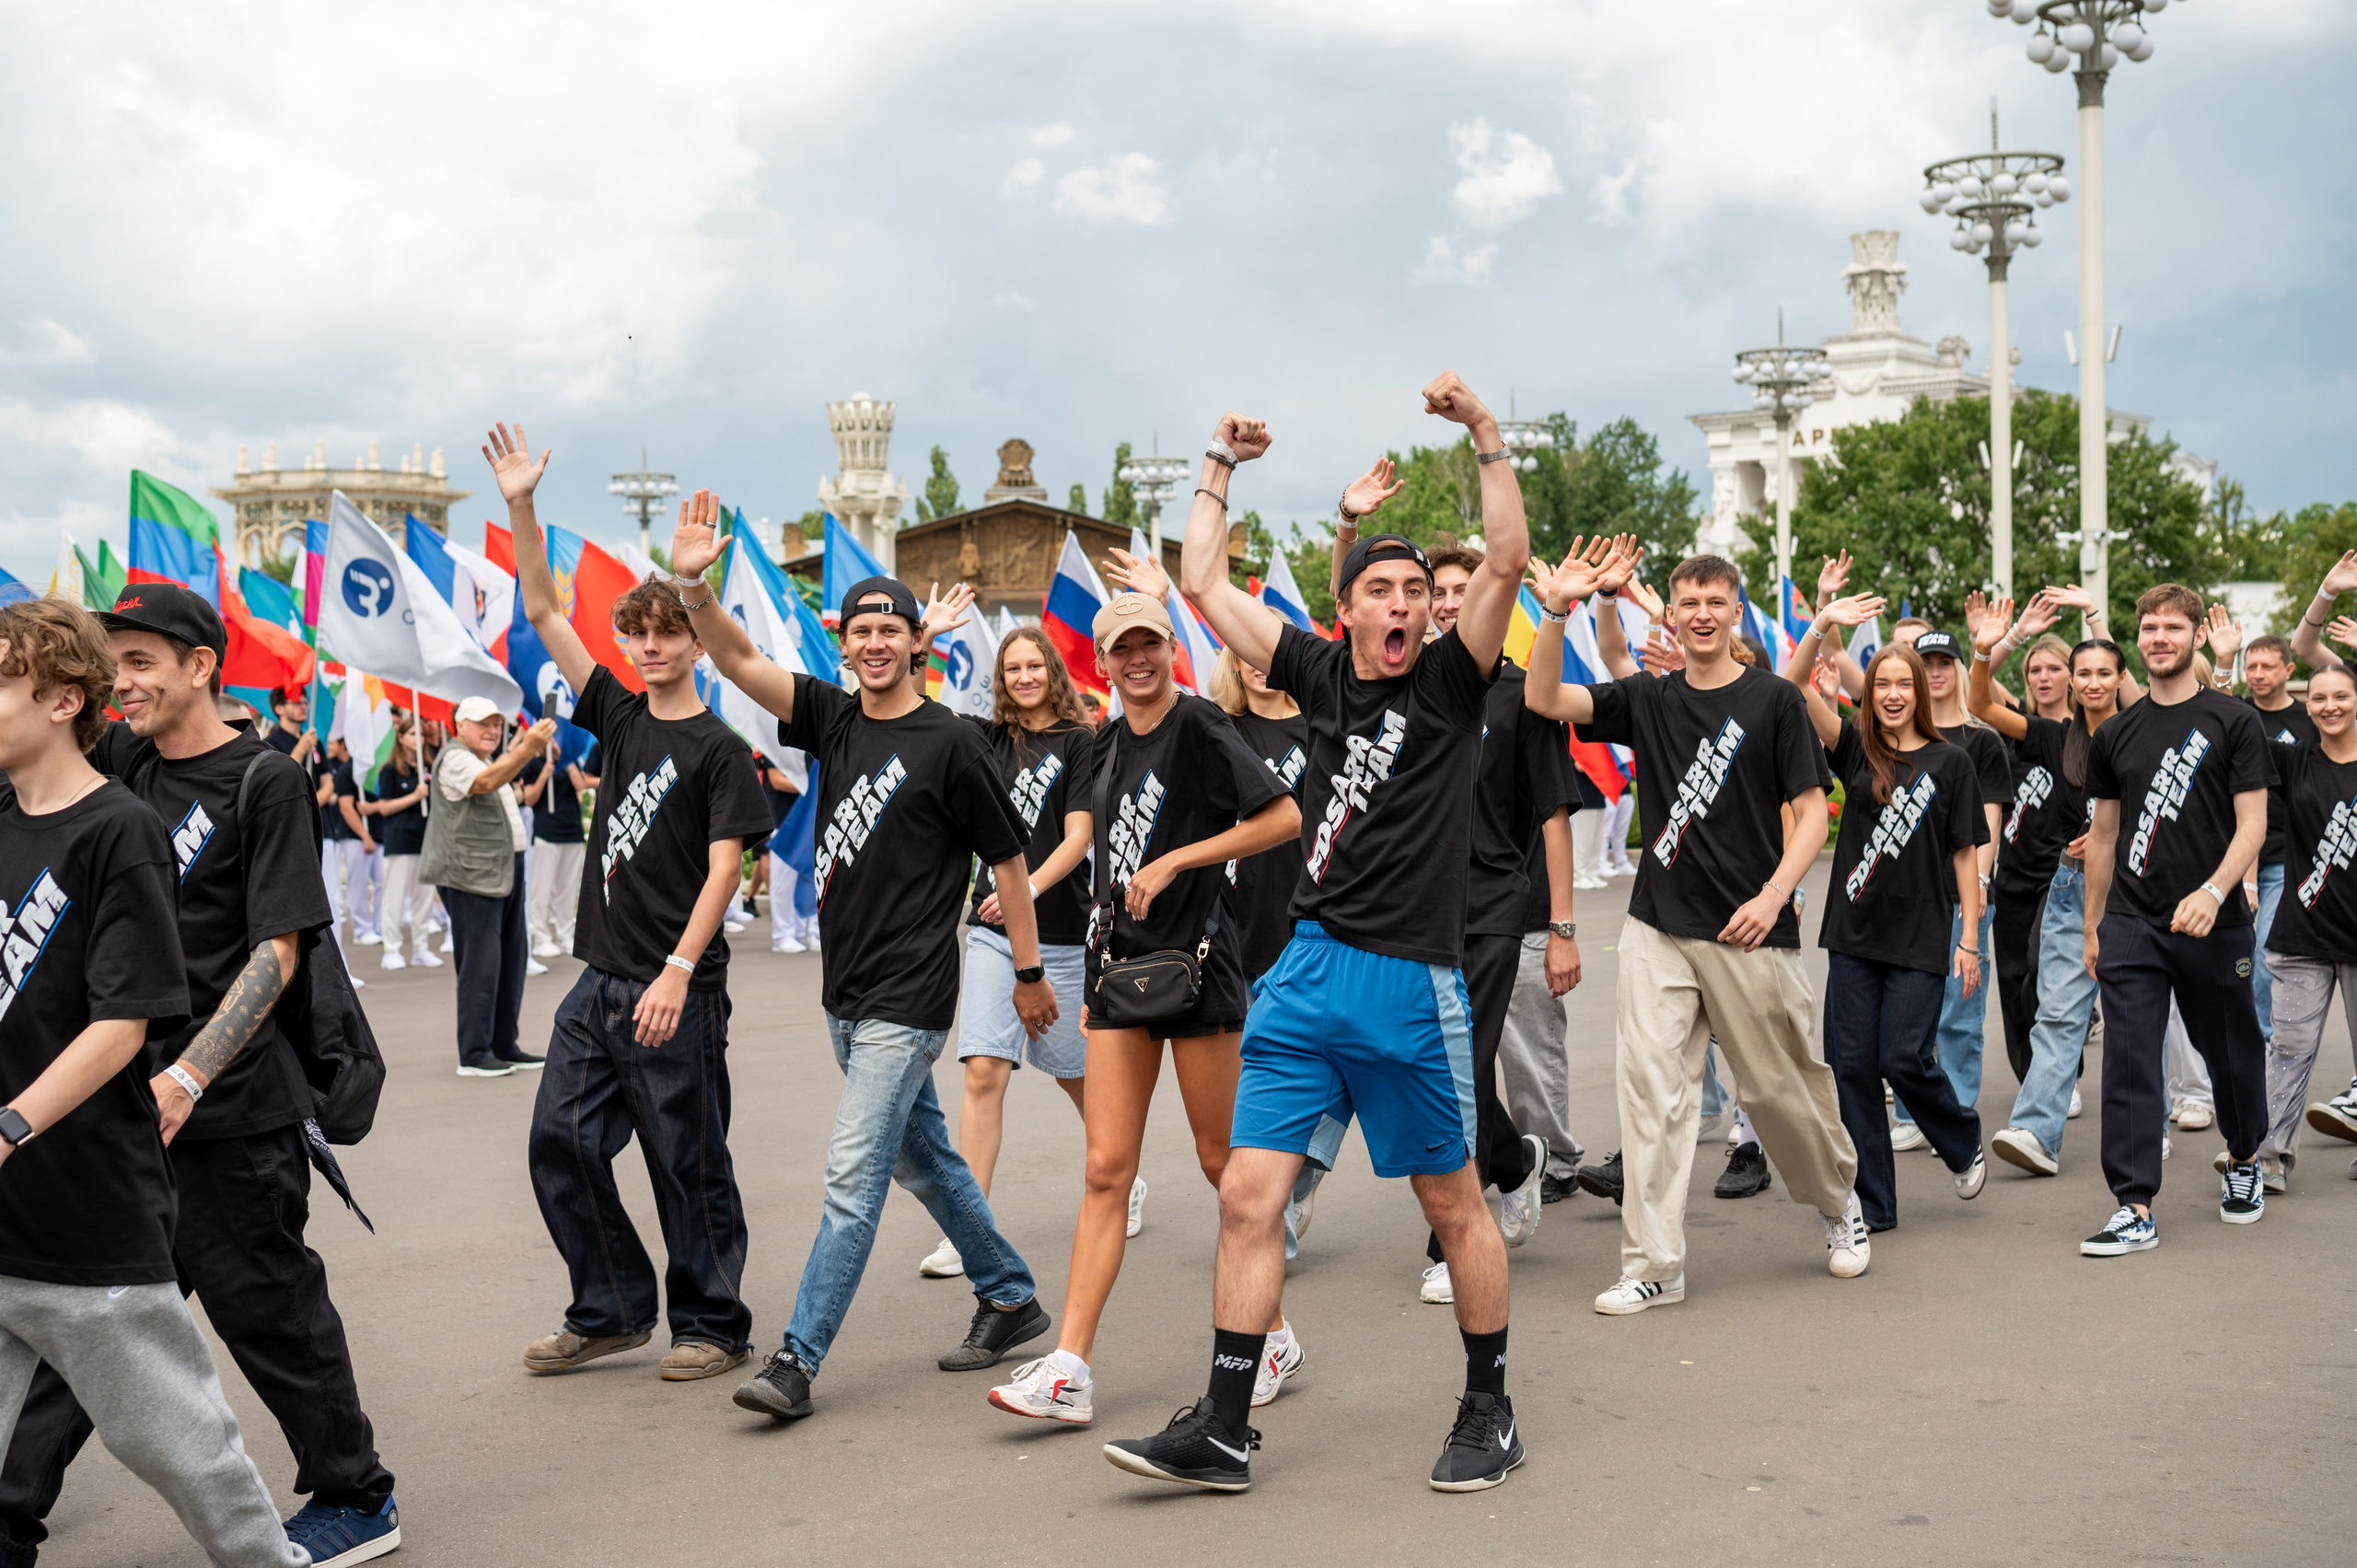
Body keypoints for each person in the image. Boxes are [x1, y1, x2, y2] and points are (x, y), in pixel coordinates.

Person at [1103, 375, 1533, 1496]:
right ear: (1348, 607)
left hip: (1408, 984)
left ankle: (1488, 1406)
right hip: (1301, 975)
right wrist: (1218, 463)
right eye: (1380, 589)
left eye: (1413, 591)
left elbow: (1503, 558)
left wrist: (1485, 433)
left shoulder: (1450, 678)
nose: (1404, 605)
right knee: (1249, 1197)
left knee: (1450, 1204)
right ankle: (1227, 1426)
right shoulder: (1312, 670)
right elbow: (1198, 577)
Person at [0, 583, 401, 1568]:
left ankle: (356, 1492)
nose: (121, 681)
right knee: (83, 1324)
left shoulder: (260, 779)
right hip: (120, 1114)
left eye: (141, 661)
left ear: (199, 665)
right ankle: (12, 1513)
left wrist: (185, 1076)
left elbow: (279, 952)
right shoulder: (125, 764)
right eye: (112, 660)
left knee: (270, 1311)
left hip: (233, 1106)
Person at [662, 490, 1057, 1422]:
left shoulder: (955, 742)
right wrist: (691, 583)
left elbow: (1006, 857)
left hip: (910, 999)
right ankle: (1009, 1293)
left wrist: (1032, 973)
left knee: (851, 1175)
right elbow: (735, 654)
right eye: (862, 629)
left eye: (893, 629)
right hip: (842, 994)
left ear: (919, 643)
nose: (876, 641)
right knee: (926, 1158)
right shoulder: (833, 718)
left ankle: (797, 1360)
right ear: (846, 642)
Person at [483, 438, 776, 1388]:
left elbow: (725, 868)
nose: (652, 647)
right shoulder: (615, 711)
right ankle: (607, 1308)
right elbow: (541, 608)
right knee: (557, 1139)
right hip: (602, 981)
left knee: (686, 1160)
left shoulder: (721, 749)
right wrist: (523, 506)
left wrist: (679, 971)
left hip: (676, 987)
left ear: (695, 644)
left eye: (669, 633)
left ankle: (713, 1322)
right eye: (639, 634)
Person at [987, 569, 1296, 1428]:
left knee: (1220, 1166)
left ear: (1170, 650)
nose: (1137, 660)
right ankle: (1070, 1367)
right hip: (1119, 974)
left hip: (1198, 971)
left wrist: (1178, 859)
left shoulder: (1200, 723)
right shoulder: (1101, 743)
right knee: (1104, 1170)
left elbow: (1280, 818)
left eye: (1149, 644)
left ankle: (1270, 1331)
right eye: (1121, 648)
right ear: (1103, 661)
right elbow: (1090, 845)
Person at [1527, 543, 1867, 1315]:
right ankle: (1654, 1262)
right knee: (1651, 1094)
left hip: (1752, 929)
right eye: (1690, 602)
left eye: (1718, 601)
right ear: (1671, 616)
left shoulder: (1774, 702)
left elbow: (1815, 813)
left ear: (1735, 611)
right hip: (1659, 926)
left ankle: (1838, 1203)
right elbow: (1547, 697)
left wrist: (1776, 893)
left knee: (1781, 1091)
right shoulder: (1648, 697)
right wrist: (1556, 612)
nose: (1703, 614)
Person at [2078, 585, 2273, 1256]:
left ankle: (2245, 1156)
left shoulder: (2232, 720)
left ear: (2195, 635)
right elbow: (2103, 835)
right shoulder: (2116, 732)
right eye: (2150, 627)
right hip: (2134, 920)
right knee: (2130, 1059)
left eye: (2172, 626)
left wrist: (2215, 891)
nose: (2160, 637)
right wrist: (2093, 926)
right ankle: (2134, 1204)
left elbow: (2254, 825)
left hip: (2215, 922)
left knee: (2232, 1054)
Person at [1783, 614, 1991, 1231]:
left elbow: (1964, 854)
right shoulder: (1853, 745)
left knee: (1903, 1059)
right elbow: (1793, 688)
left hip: (1921, 937)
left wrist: (1971, 941)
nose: (1894, 694)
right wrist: (1819, 624)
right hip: (1852, 936)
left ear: (1920, 693)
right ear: (1869, 694)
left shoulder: (1952, 763)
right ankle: (1875, 1203)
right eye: (1882, 685)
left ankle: (1960, 1138)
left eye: (1905, 684)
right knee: (1851, 1069)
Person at [1408, 544, 1573, 1304]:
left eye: (1459, 590)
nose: (1446, 603)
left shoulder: (1520, 696)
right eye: (1435, 592)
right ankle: (1516, 1161)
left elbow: (1552, 814)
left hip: (1496, 908)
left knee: (1461, 1068)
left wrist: (1564, 926)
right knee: (1433, 1068)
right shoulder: (1408, 690)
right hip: (1414, 909)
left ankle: (1451, 1235)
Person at [917, 626, 1097, 1282]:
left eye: (1034, 665)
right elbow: (909, 709)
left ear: (1052, 670)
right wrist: (923, 640)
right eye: (1012, 667)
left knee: (1076, 1075)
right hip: (993, 933)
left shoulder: (1083, 743)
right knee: (984, 1071)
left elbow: (1079, 835)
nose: (1024, 676)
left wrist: (1023, 886)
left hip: (1061, 932)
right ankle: (969, 1226)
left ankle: (1115, 1172)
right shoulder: (986, 738)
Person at [1967, 598, 2133, 1176]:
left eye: (2101, 672)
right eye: (2081, 672)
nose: (2090, 682)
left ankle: (2148, 1122)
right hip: (2069, 886)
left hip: (2136, 888)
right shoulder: (2050, 735)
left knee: (2141, 1013)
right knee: (2055, 1011)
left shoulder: (2139, 729)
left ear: (2118, 678)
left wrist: (2093, 618)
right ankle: (2037, 1131)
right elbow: (1980, 703)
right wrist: (1989, 647)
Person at [1885, 629, 2009, 1154]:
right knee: (1915, 1013)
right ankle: (1915, 1112)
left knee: (1959, 1013)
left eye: (1943, 662)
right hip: (1907, 899)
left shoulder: (1981, 740)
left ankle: (1953, 1113)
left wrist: (1976, 888)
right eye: (1925, 663)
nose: (1935, 671)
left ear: (1959, 669)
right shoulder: (1898, 737)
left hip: (1963, 896)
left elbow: (1989, 819)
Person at [2250, 662, 2357, 1184]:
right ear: (2306, 705)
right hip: (2302, 937)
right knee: (2288, 1050)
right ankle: (2267, 1158)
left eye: (2341, 696)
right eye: (2319, 698)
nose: (2330, 706)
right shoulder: (2294, 761)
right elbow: (2231, 724)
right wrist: (2224, 667)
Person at [421, 696, 554, 1078]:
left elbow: (494, 775)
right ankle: (475, 1053)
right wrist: (528, 747)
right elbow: (486, 783)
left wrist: (522, 750)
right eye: (483, 723)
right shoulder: (456, 757)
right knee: (482, 964)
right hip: (471, 874)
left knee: (510, 961)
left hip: (499, 870)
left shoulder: (479, 758)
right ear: (459, 726)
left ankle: (501, 1044)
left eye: (497, 724)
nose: (492, 730)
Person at [364, 715, 435, 971]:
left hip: (424, 840)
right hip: (399, 840)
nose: (419, 739)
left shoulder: (428, 767)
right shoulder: (391, 769)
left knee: (423, 897)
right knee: (393, 897)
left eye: (422, 734)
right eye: (413, 734)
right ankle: (392, 949)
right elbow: (383, 807)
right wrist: (414, 797)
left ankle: (421, 948)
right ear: (402, 737)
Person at [525, 737, 599, 960]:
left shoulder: (571, 762)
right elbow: (529, 798)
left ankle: (566, 934)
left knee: (569, 888)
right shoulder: (534, 764)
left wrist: (567, 761)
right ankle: (541, 937)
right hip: (547, 833)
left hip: (572, 831)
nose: (558, 743)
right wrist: (544, 775)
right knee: (543, 888)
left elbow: (581, 785)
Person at [319, 738, 380, 958]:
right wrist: (364, 835)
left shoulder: (369, 769)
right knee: (356, 883)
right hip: (348, 834)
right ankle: (361, 928)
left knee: (379, 882)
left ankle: (375, 927)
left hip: (363, 834)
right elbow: (343, 805)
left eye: (335, 742)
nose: (330, 746)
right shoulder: (343, 769)